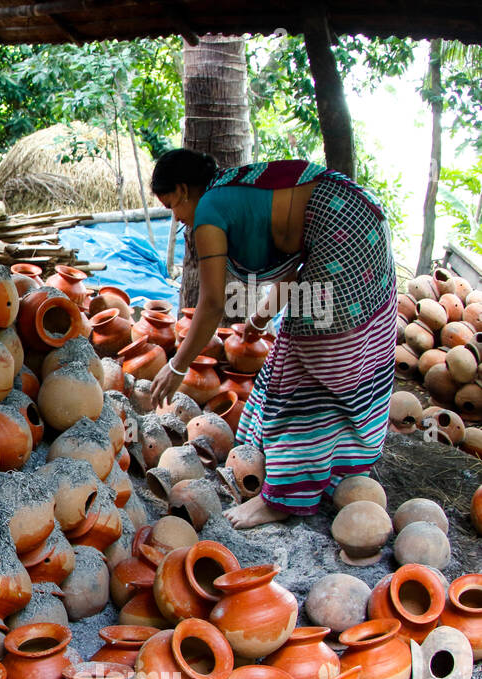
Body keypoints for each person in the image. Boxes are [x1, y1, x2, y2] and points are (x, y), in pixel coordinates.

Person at [148, 149, 397, 529]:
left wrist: (177, 365)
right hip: (358, 219)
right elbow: (301, 265)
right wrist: (260, 318)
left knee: (309, 360)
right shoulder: (234, 188)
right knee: (289, 352)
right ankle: (298, 462)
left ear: (183, 190)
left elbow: (213, 303)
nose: (176, 218)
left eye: (171, 206)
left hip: (347, 238)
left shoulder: (211, 208)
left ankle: (283, 497)